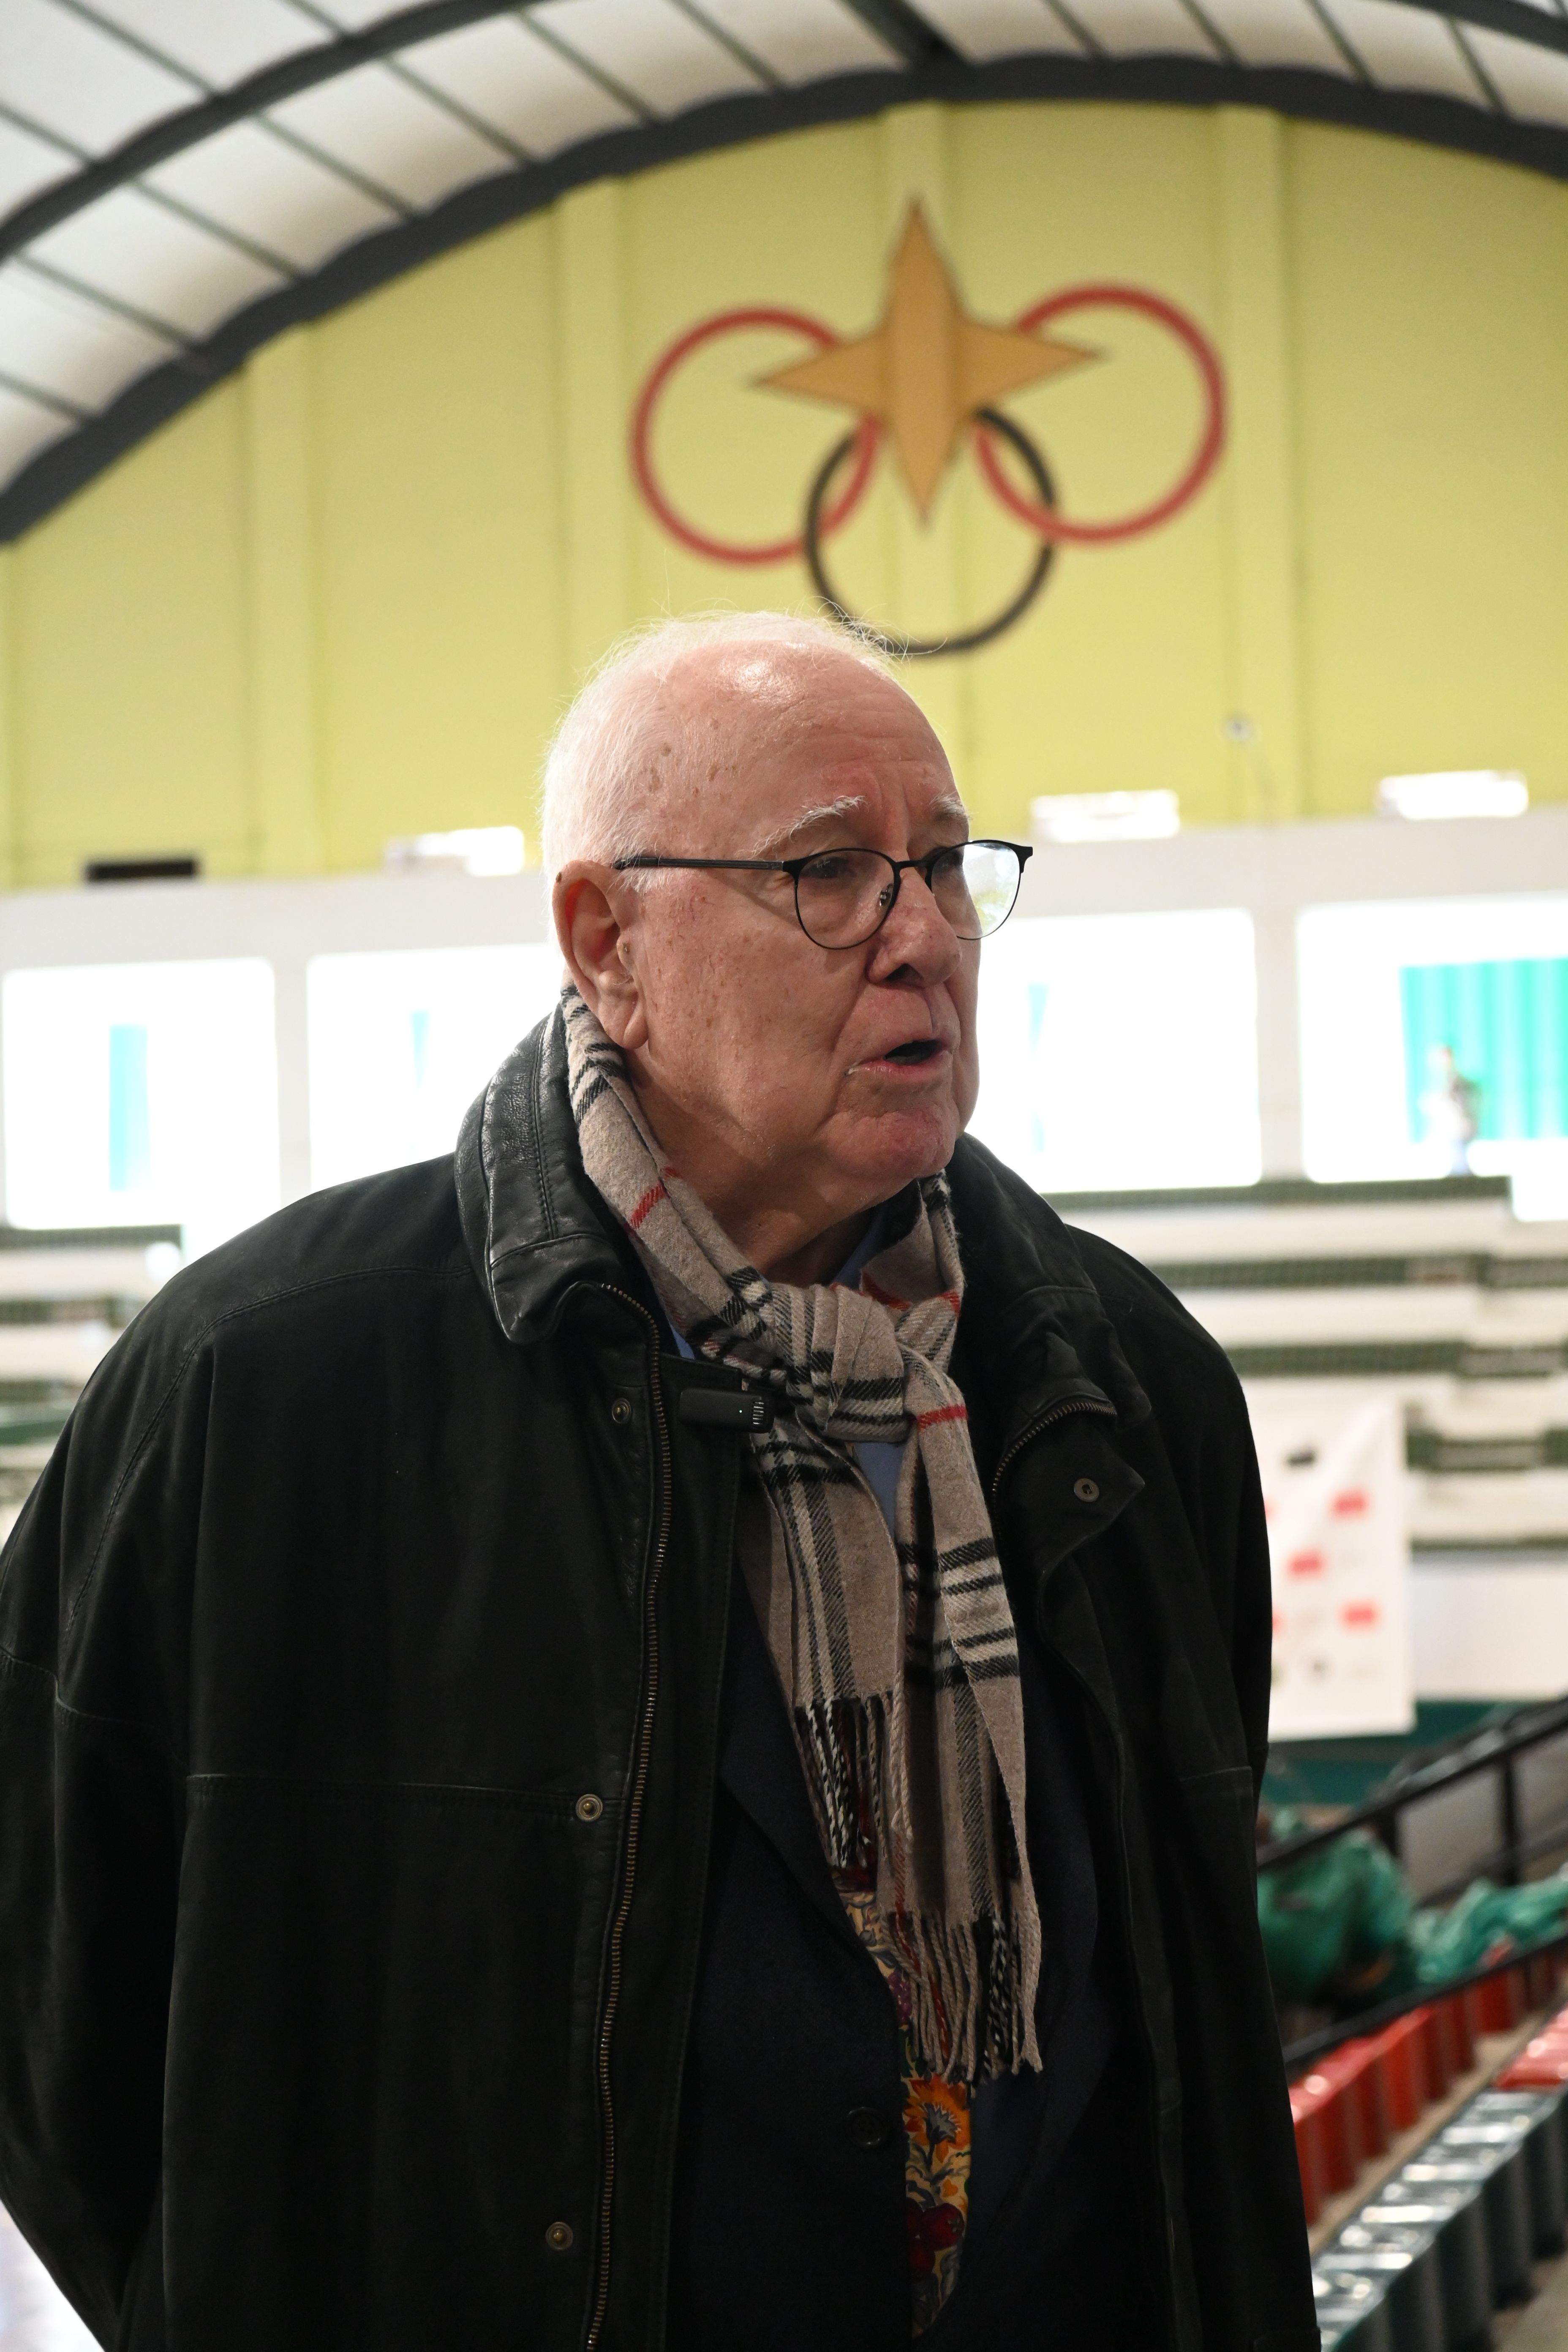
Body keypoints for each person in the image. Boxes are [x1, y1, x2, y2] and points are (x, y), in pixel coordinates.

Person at [0, 612, 1315, 2350]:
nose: (923, 936)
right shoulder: (264, 1386)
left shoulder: (1122, 1384)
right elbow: (49, 2014)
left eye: (944, 865)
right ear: (602, 939)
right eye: (828, 872)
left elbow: (1182, 1996)